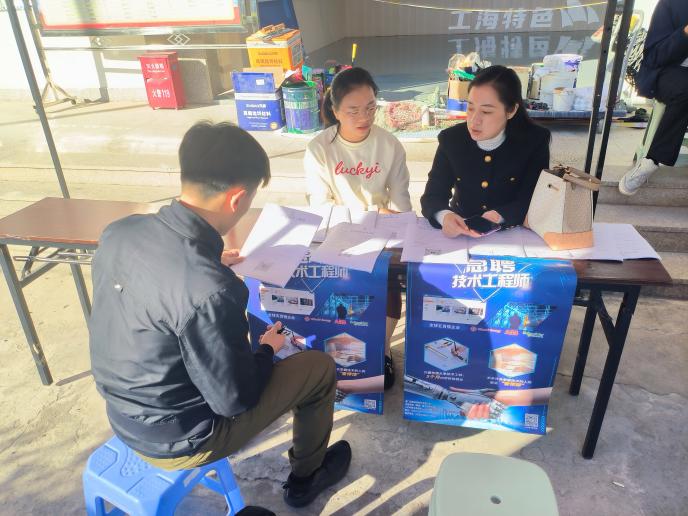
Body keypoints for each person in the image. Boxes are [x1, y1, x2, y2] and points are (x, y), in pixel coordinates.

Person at [88, 122, 351, 512]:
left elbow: (163, 284)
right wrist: (265, 350)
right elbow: (234, 399)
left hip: (123, 415)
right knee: (318, 368)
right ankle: (306, 478)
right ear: (237, 198)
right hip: (183, 439)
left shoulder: (120, 232)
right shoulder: (211, 290)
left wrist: (208, 259)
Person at [304, 67, 412, 389]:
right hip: (335, 235)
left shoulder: (389, 145)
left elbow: (402, 205)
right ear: (335, 110)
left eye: (370, 107)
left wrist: (394, 221)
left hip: (381, 236)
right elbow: (320, 207)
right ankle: (340, 349)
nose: (364, 117)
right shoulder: (319, 149)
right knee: (340, 297)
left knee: (388, 280)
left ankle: (382, 350)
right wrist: (370, 212)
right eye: (353, 110)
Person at [421, 65, 550, 237]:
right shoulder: (451, 139)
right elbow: (433, 195)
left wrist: (497, 216)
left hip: (512, 232)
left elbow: (533, 197)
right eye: (470, 108)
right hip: (462, 228)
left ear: (511, 110)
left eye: (486, 111)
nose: (474, 120)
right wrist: (445, 216)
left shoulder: (534, 140)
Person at [620, 0, 688, 195]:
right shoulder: (672, 4)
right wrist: (684, 33)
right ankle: (652, 160)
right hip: (669, 72)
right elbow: (655, 56)